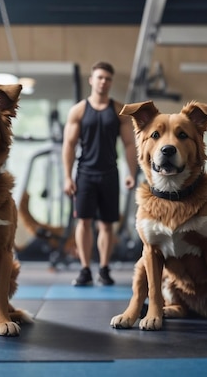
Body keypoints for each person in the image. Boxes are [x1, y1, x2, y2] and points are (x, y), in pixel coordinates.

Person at [62, 61, 137, 286]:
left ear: (111, 82)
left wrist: (131, 172)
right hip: (85, 173)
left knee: (106, 224)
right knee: (83, 222)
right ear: (92, 80)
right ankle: (85, 269)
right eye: (100, 77)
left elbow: (129, 145)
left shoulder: (118, 110)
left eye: (108, 78)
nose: (104, 81)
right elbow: (69, 144)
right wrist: (67, 176)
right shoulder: (79, 110)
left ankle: (104, 269)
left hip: (110, 174)